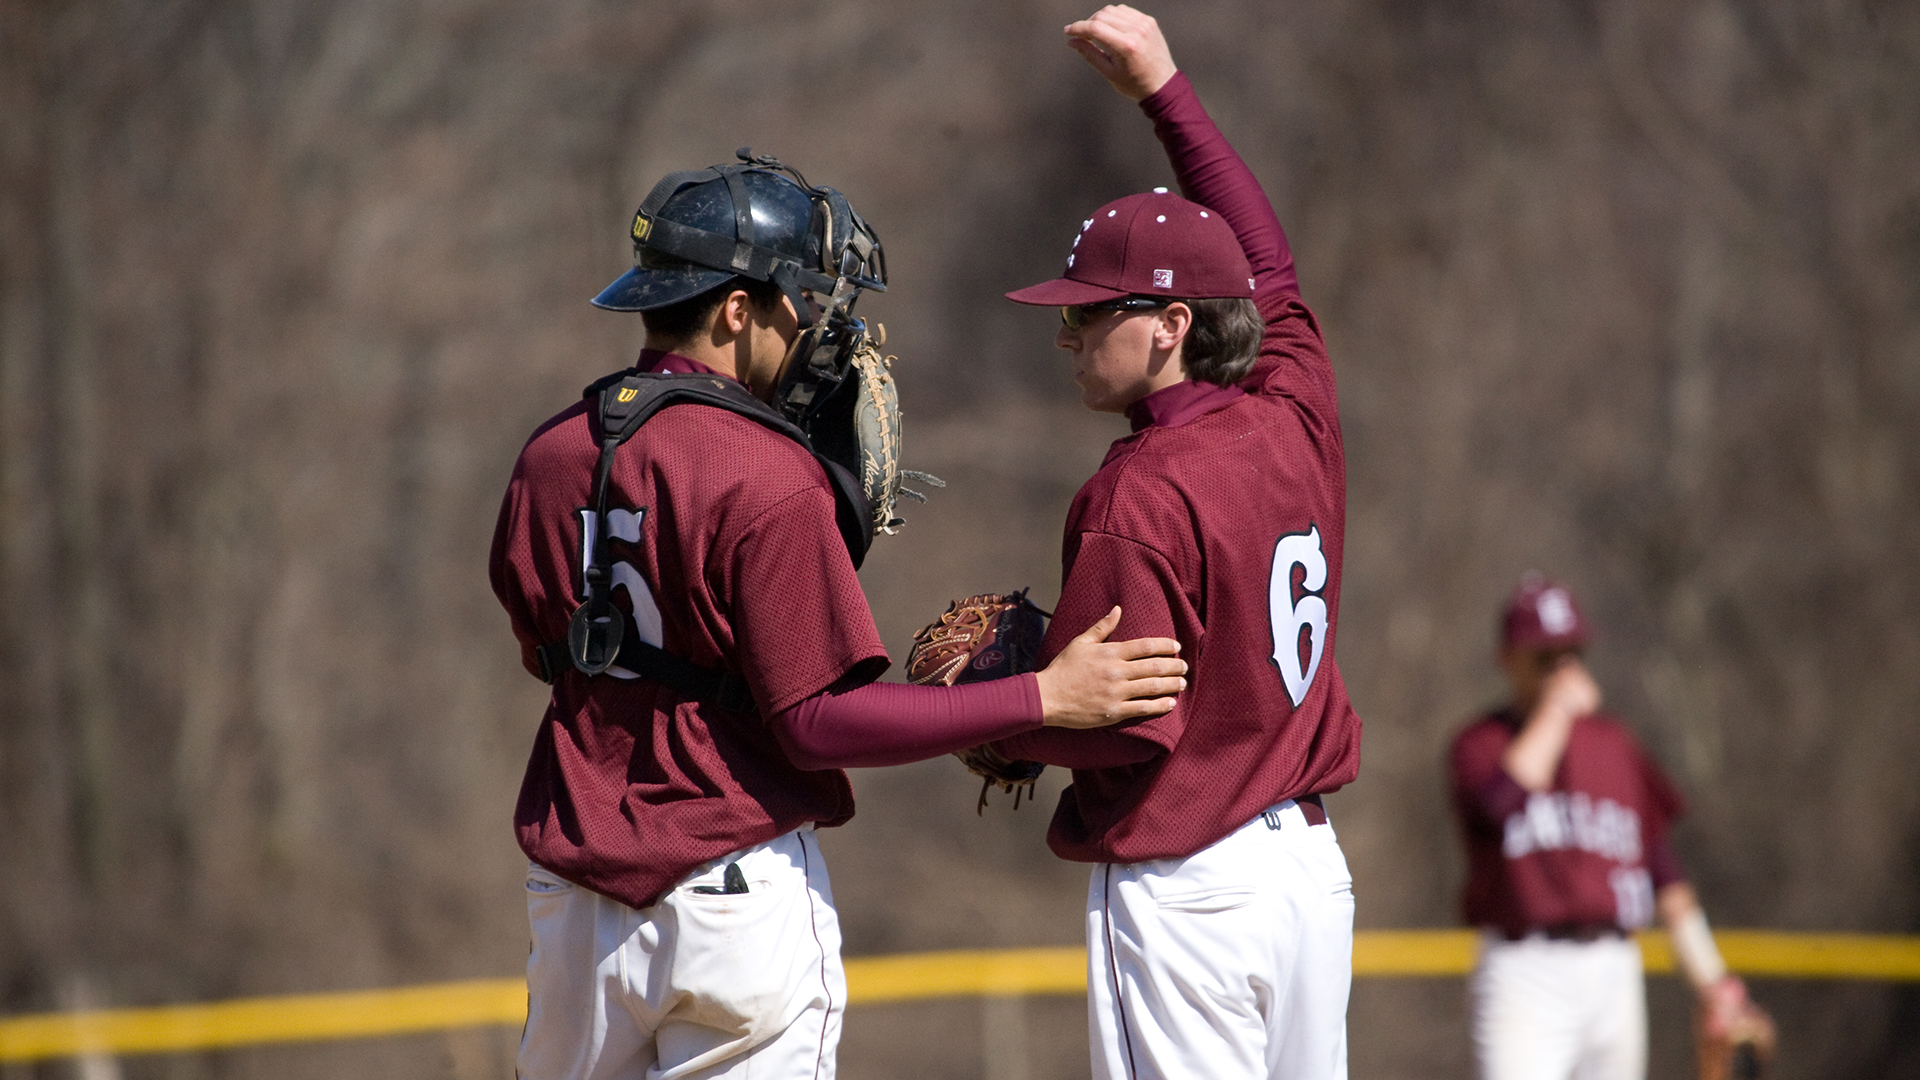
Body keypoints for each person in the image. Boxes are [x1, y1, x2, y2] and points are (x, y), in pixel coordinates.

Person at [489, 155, 1189, 1080]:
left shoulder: (550, 454)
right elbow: (818, 724)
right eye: (797, 301)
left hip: (572, 903)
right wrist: (1040, 698)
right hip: (729, 895)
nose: (815, 326)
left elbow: (548, 650)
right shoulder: (765, 472)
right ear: (735, 309)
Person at [987, 8, 1364, 1078]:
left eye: (1087, 315)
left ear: (1169, 326)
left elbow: (1127, 732)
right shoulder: (1297, 414)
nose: (1064, 335)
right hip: (1306, 881)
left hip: (1190, 888)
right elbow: (1270, 266)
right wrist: (1165, 90)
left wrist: (1012, 724)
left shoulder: (1134, 498)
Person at [1449, 574, 1775, 1080]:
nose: (1563, 670)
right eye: (1545, 656)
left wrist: (1715, 983)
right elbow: (1497, 808)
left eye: (1572, 654)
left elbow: (1663, 873)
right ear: (1507, 658)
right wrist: (1556, 713)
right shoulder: (1479, 744)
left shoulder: (1614, 744)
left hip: (1613, 968)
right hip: (1526, 972)